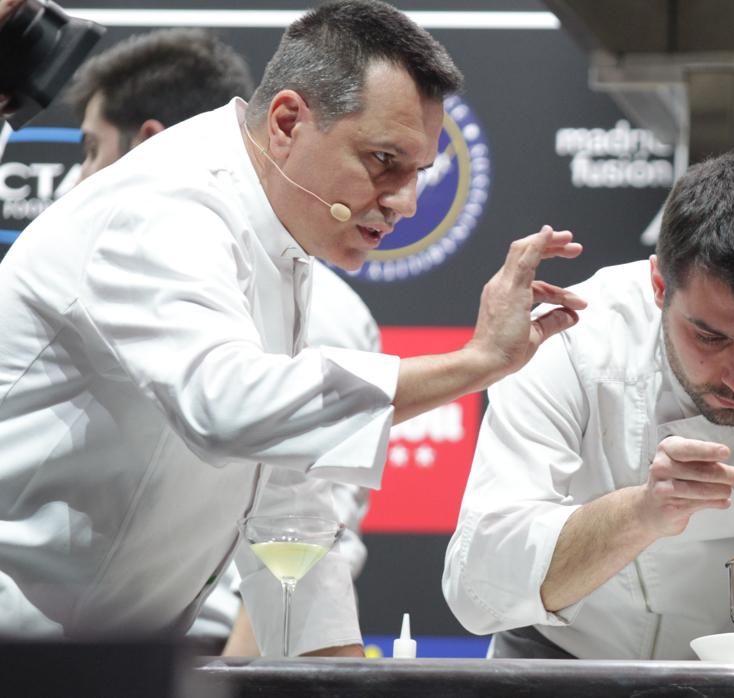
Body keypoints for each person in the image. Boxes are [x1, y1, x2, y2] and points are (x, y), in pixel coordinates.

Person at [0, 0, 585, 658]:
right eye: (382, 159)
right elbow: (228, 406)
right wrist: (476, 363)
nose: (406, 203)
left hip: (104, 659)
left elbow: (288, 510)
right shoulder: (166, 205)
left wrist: (332, 675)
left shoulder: (278, 235)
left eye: (418, 173)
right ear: (286, 122)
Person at [442, 152, 734, 659]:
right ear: (658, 287)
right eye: (709, 337)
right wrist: (643, 512)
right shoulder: (570, 340)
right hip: (562, 655)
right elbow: (477, 585)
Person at [62, 27, 378, 655]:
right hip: (92, 639)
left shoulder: (315, 299)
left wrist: (237, 680)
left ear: (148, 141)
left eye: (92, 149)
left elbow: (300, 527)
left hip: (189, 648)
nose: (80, 175)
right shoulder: (118, 240)